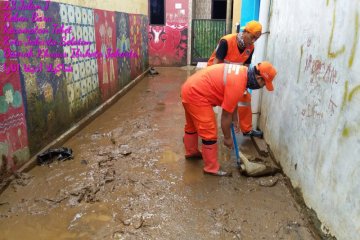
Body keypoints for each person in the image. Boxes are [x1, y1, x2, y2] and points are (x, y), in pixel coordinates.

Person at [181, 62, 277, 176]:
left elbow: (232, 99)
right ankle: (211, 168)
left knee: (192, 125)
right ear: (259, 78)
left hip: (189, 88)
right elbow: (225, 116)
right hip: (196, 94)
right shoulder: (239, 83)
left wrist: (235, 119)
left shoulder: (243, 73)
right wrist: (227, 138)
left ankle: (191, 152)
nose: (262, 87)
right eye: (263, 84)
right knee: (209, 131)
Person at [208, 20, 263, 138]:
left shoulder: (250, 48)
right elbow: (216, 63)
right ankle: (202, 128)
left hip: (234, 77)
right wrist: (219, 86)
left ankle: (247, 129)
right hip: (216, 74)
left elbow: (246, 68)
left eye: (256, 39)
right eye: (252, 37)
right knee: (208, 102)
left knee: (245, 97)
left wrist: (242, 87)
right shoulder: (226, 41)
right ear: (245, 32)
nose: (253, 41)